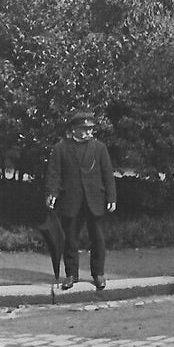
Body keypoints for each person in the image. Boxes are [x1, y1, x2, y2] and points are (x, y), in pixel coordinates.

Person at [45, 110, 117, 290]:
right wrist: (52, 194)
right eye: (84, 129)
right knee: (70, 239)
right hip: (70, 200)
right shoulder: (61, 148)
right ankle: (71, 275)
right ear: (74, 129)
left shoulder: (99, 148)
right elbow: (54, 174)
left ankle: (98, 274)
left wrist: (111, 197)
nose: (88, 133)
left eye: (91, 129)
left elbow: (108, 174)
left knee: (98, 239)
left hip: (95, 200)